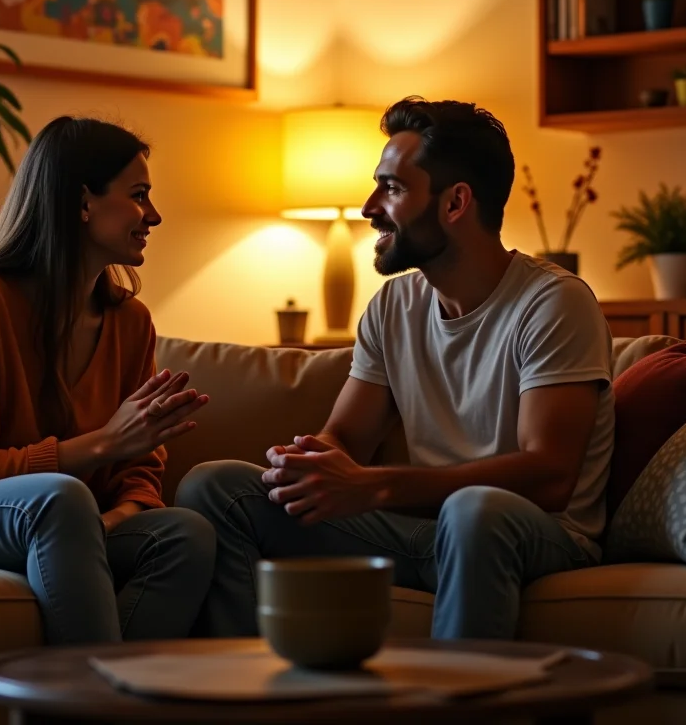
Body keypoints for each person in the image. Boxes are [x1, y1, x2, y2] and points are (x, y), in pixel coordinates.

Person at [177, 97, 615, 641]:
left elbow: (549, 476)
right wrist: (308, 463)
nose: (368, 206)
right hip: (423, 533)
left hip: (533, 535)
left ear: (455, 203)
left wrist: (375, 487)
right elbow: (347, 436)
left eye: (393, 188)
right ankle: (247, 701)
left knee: (474, 512)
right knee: (216, 487)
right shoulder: (393, 306)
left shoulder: (554, 302)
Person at [0, 116, 216, 645]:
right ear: (82, 203)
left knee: (185, 534)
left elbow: (140, 469)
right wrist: (101, 444)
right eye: (139, 195)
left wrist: (118, 516)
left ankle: (108, 699)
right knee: (63, 499)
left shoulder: (130, 321)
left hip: (64, 520)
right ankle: (95, 707)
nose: (154, 216)